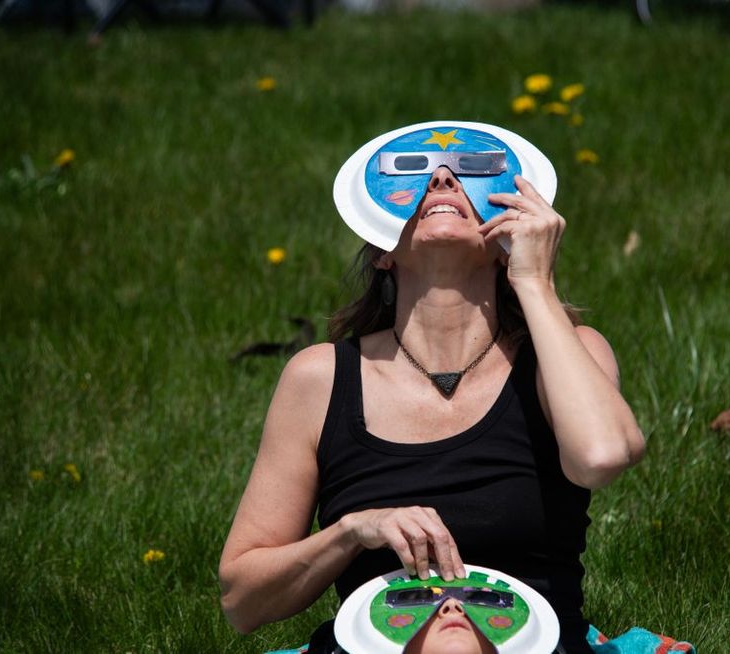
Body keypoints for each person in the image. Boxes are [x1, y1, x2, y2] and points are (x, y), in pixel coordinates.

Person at [219, 122, 646, 654]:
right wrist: (351, 532)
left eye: (471, 170)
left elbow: (601, 457)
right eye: (416, 171)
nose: (442, 177)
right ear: (381, 249)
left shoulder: (565, 356)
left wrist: (534, 281)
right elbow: (242, 601)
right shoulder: (320, 379)